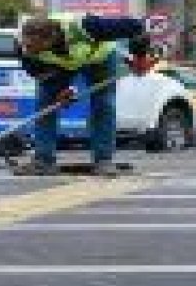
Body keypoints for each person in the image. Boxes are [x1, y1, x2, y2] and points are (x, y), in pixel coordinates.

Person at [15, 11, 153, 177]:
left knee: (103, 104)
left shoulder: (86, 26)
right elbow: (39, 72)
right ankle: (43, 160)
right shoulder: (25, 48)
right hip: (61, 66)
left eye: (37, 49)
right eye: (28, 48)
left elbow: (135, 26)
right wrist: (61, 91)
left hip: (99, 58)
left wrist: (140, 57)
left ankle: (103, 161)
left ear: (52, 39)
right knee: (46, 104)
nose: (31, 52)